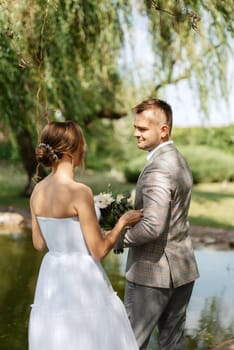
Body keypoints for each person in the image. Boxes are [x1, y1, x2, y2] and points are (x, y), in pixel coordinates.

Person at [28, 120, 143, 350]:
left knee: (58, 337)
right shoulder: (79, 192)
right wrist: (122, 222)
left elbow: (39, 243)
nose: (86, 147)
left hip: (52, 275)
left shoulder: (37, 190)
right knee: (90, 336)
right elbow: (99, 250)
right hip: (81, 277)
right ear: (71, 151)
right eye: (83, 142)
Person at [114, 98, 199, 350]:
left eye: (142, 129)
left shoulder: (158, 168)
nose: (135, 134)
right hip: (182, 270)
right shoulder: (178, 160)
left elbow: (152, 226)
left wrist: (116, 236)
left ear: (163, 130)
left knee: (131, 343)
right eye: (135, 127)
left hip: (152, 274)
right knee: (173, 342)